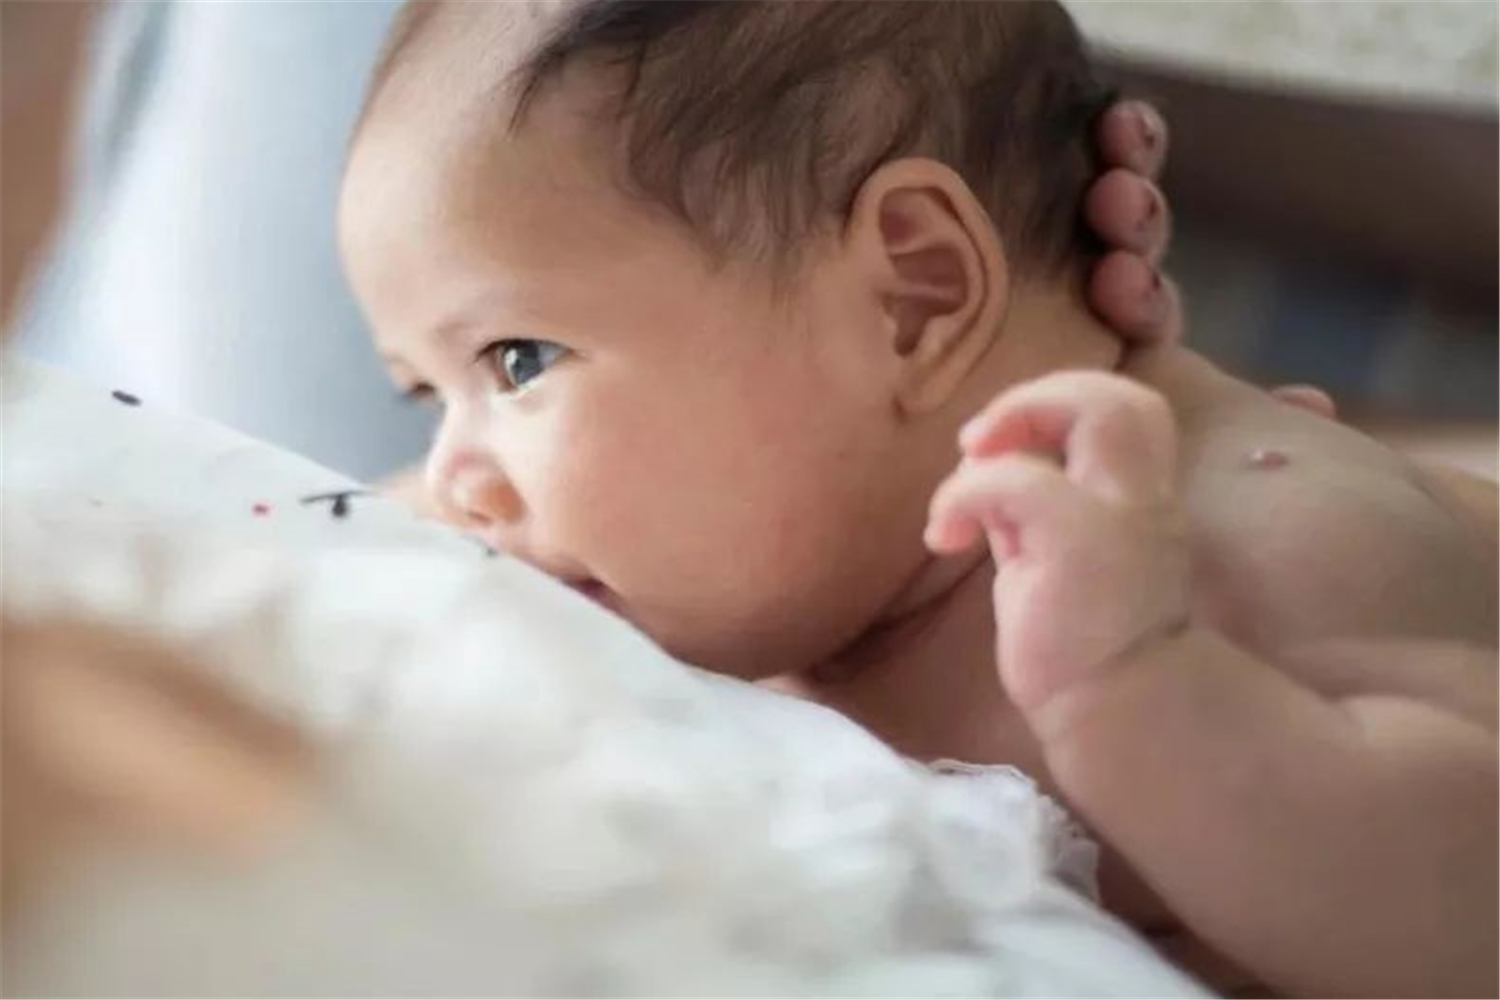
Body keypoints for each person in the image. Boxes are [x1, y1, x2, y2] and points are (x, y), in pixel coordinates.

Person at [338, 1, 1497, 994]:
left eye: (518, 361)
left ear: (913, 296)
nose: (457, 477)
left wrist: (1141, 689)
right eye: (424, 397)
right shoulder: (779, 576)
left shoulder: (1246, 540)